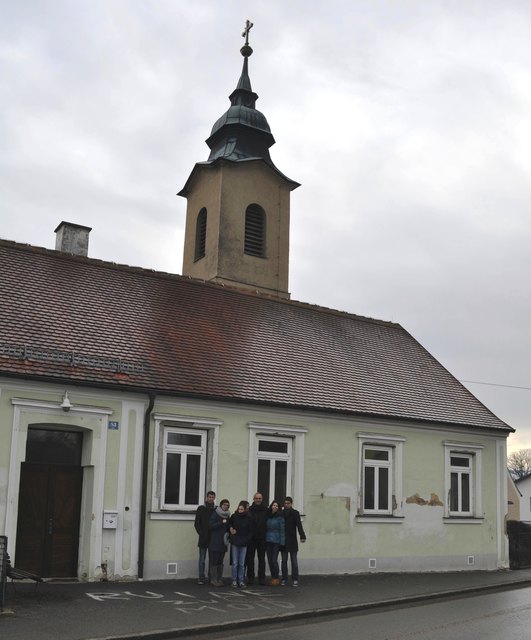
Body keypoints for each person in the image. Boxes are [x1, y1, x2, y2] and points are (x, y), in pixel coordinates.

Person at [281, 496, 306, 586]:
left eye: (288, 503)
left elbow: (299, 525)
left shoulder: (295, 513)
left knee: (294, 561)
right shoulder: (281, 513)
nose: (286, 505)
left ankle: (295, 579)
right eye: (285, 503)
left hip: (292, 540)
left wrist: (302, 536)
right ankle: (284, 578)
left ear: (291, 504)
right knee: (284, 561)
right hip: (283, 540)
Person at [229, 500, 254, 587]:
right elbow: (229, 524)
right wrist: (231, 529)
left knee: (242, 563)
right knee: (235, 563)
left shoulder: (249, 518)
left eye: (242, 509)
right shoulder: (234, 516)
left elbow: (251, 531)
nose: (240, 510)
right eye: (239, 509)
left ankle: (241, 580)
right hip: (235, 541)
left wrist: (247, 539)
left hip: (244, 542)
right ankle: (234, 580)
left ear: (245, 510)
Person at [194, 490, 216, 584]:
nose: (211, 499)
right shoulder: (201, 508)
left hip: (213, 538)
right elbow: (197, 523)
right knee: (202, 559)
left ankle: (211, 577)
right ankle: (201, 577)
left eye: (212, 497)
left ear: (214, 498)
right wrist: (201, 533)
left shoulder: (216, 509)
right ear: (207, 498)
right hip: (203, 538)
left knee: (212, 559)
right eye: (209, 497)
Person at [246, 492, 268, 585]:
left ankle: (261, 578)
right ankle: (250, 577)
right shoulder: (249, 510)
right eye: (256, 498)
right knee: (250, 558)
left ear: (262, 499)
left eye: (260, 498)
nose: (258, 500)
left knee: (261, 559)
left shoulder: (266, 510)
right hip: (251, 538)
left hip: (262, 538)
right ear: (253, 499)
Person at [208, 498, 230, 587]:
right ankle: (213, 579)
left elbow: (228, 526)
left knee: (220, 561)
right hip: (215, 541)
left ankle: (219, 579)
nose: (226, 506)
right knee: (214, 560)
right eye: (224, 505)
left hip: (223, 541)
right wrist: (221, 522)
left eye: (227, 505)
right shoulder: (216, 513)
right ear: (221, 505)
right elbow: (211, 525)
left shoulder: (228, 515)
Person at [265, 500, 285, 585]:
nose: (275, 507)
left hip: (276, 541)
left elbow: (282, 531)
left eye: (277, 506)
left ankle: (276, 577)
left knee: (274, 560)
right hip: (268, 540)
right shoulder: (268, 516)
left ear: (279, 508)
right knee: (269, 560)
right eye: (274, 505)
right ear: (271, 506)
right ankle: (273, 577)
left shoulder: (280, 517)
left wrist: (282, 542)